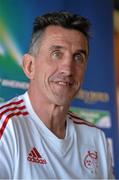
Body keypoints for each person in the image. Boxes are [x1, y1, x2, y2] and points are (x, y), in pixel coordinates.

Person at [0, 11, 114, 179]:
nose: (68, 69)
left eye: (78, 57)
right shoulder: (6, 126)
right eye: (56, 54)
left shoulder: (95, 138)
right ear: (30, 66)